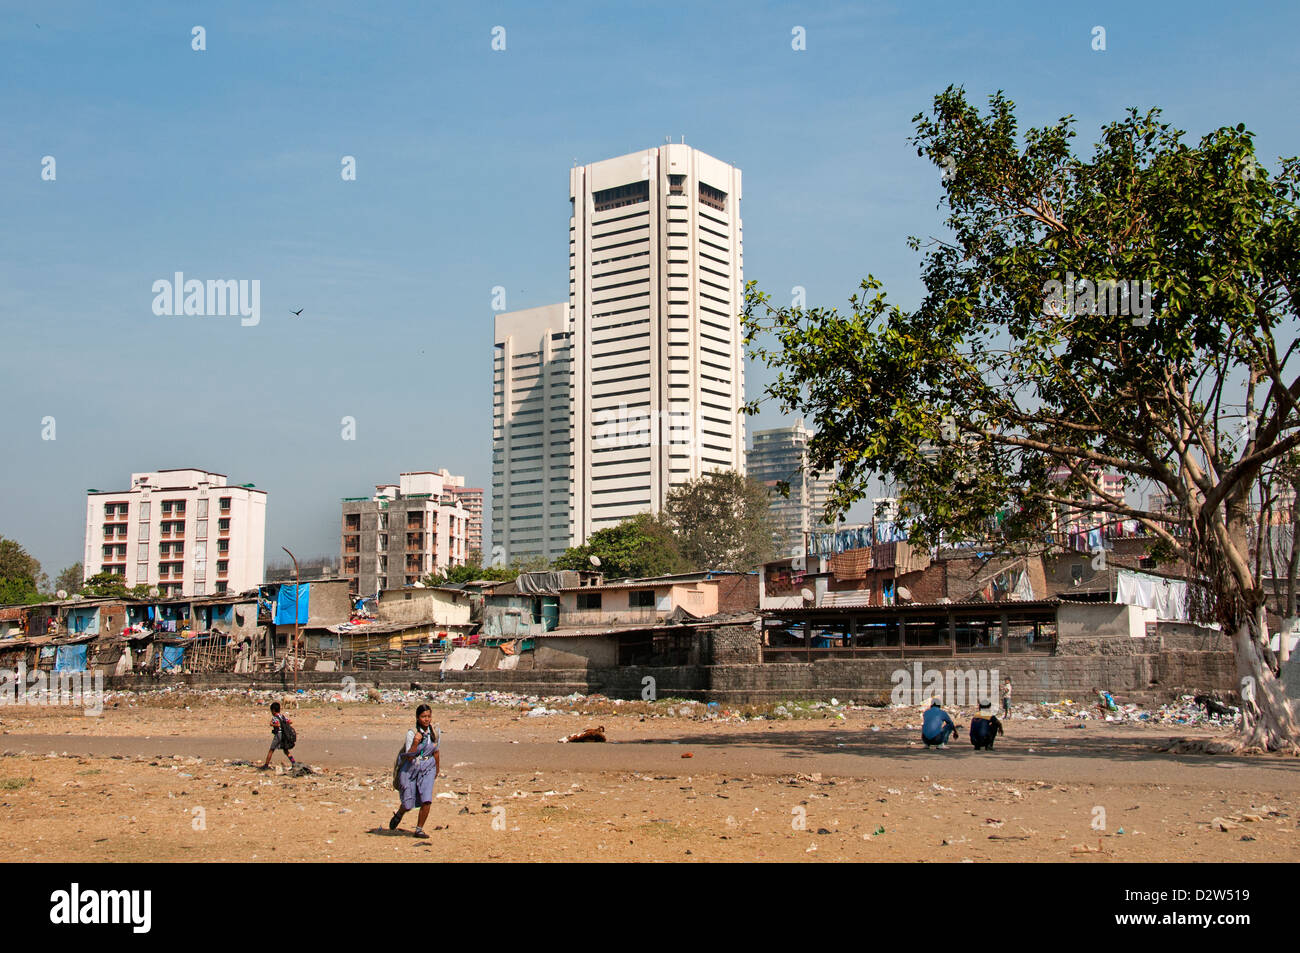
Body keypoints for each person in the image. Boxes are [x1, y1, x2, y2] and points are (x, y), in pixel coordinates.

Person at [390, 704, 441, 838]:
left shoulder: (435, 732)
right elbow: (409, 756)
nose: (426, 719)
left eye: (429, 716)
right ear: (418, 718)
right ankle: (400, 813)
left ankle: (419, 829)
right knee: (408, 804)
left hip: (428, 767)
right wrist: (415, 743)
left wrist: (436, 769)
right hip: (411, 768)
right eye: (423, 717)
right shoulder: (412, 733)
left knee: (427, 799)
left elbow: (436, 751)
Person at [259, 701, 296, 770]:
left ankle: (266, 765)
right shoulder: (283, 716)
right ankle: (294, 763)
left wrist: (271, 724)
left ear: (273, 710)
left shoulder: (275, 718)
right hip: (285, 735)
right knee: (286, 750)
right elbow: (290, 721)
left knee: (271, 750)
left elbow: (277, 724)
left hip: (279, 735)